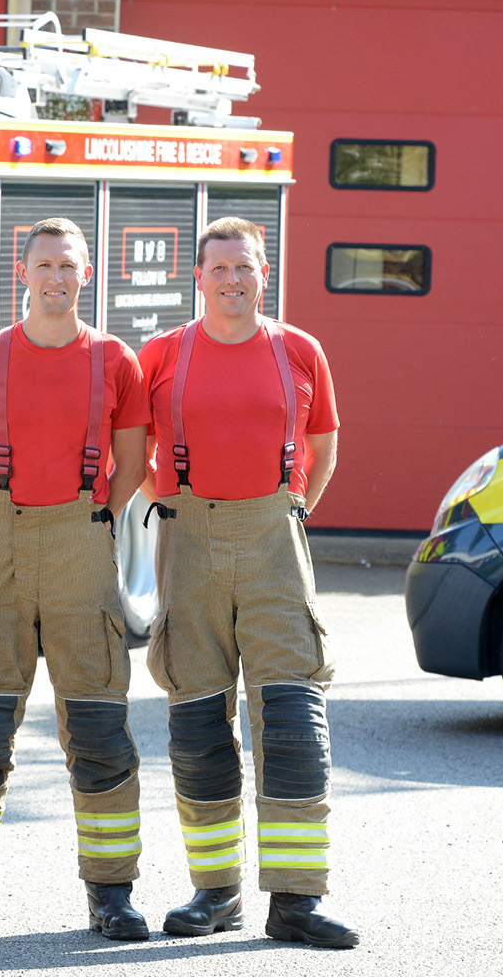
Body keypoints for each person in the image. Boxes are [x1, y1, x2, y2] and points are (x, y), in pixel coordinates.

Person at [138, 216, 355, 949]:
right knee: (199, 722)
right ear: (197, 277)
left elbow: (323, 448)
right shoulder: (162, 354)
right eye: (220, 268)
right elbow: (133, 452)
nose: (234, 279)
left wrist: (290, 513)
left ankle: (296, 900)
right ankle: (215, 892)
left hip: (274, 535)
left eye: (246, 267)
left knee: (293, 719)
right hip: (187, 540)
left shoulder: (300, 350)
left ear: (265, 274)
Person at [0, 219, 150, 940]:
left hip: (80, 545)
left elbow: (133, 468)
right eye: (44, 265)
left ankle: (111, 894)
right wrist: (1, 514)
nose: (56, 277)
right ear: (23, 273)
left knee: (99, 729)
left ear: (86, 274)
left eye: (69, 265)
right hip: (2, 541)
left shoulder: (115, 359)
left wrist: (89, 522)